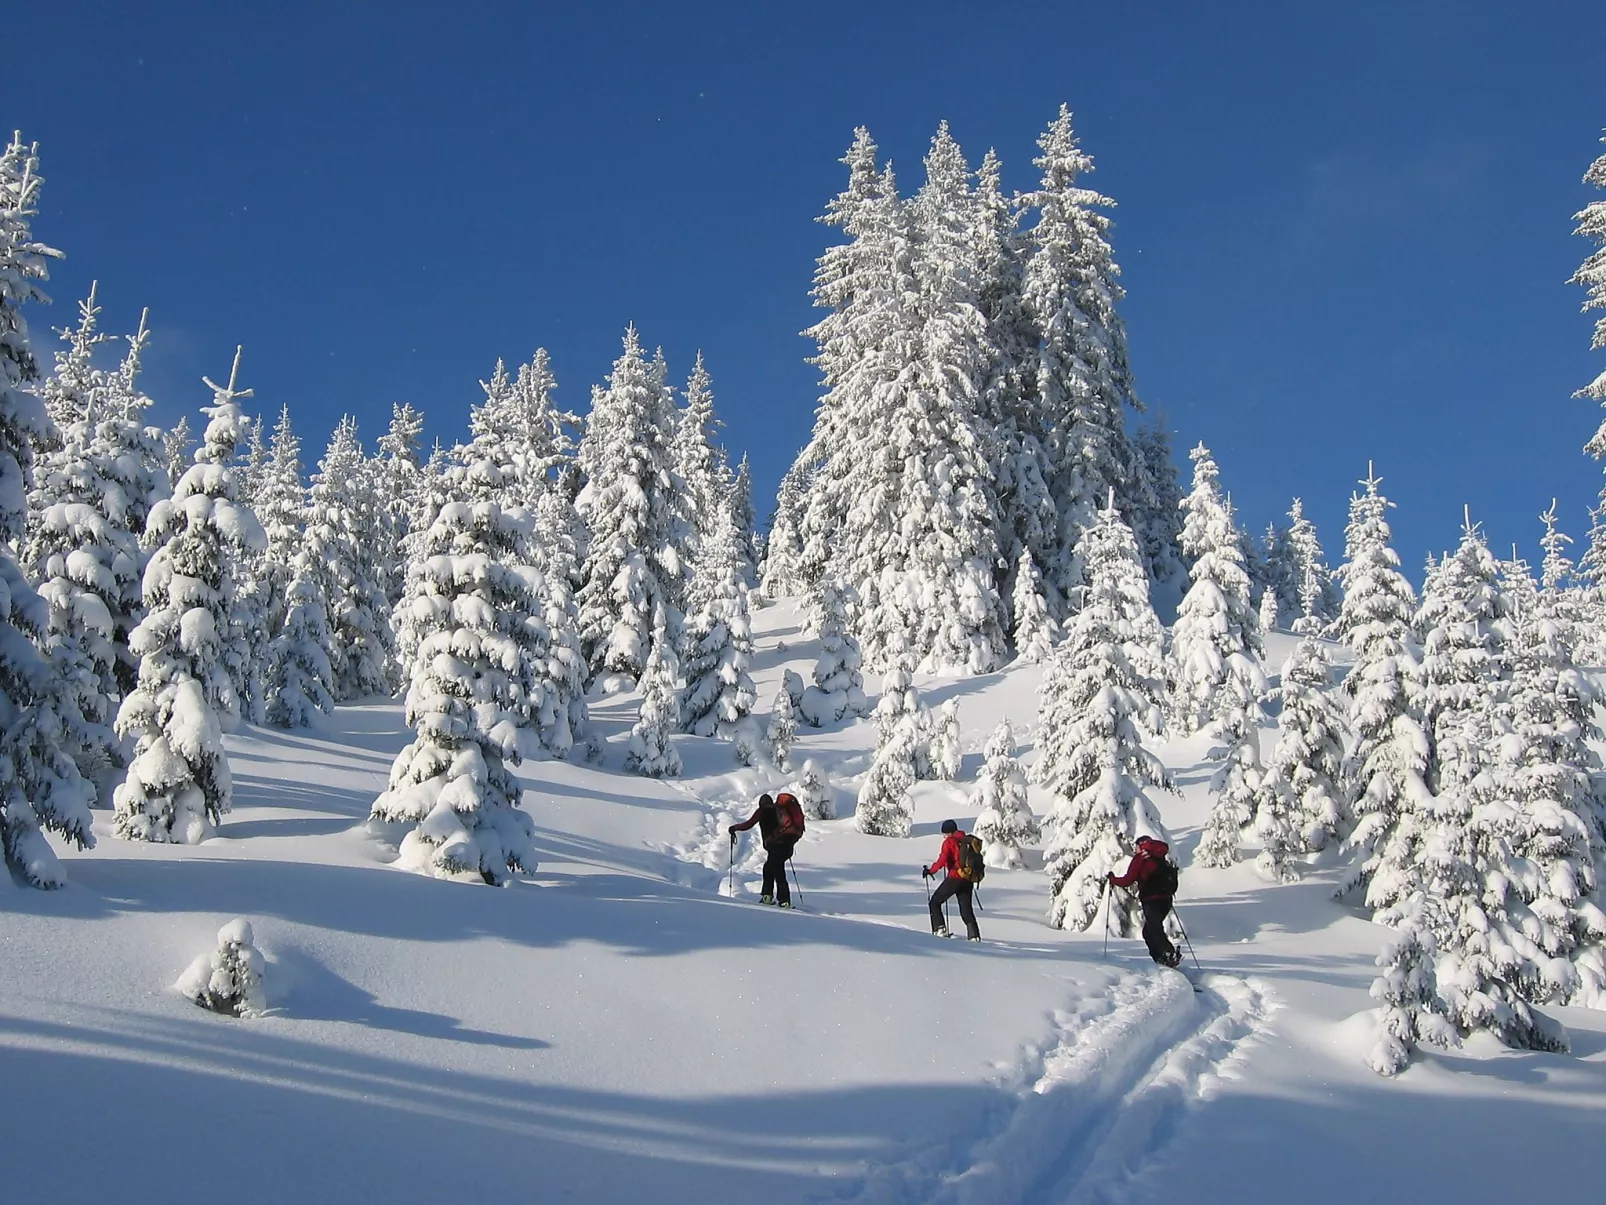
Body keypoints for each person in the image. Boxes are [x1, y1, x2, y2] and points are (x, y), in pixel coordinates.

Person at [1107, 835, 1181, 967]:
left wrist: (1113, 879)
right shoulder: (1160, 858)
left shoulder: (1140, 859)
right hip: (1166, 900)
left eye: (1135, 846)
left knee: (1153, 927)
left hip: (1151, 898)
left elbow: (1128, 880)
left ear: (1140, 845)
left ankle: (1168, 954)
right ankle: (1162, 958)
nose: (1134, 849)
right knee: (1149, 930)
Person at [729, 793, 801, 907]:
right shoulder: (778, 810)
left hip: (776, 846)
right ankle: (769, 896)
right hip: (786, 846)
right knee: (769, 868)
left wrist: (734, 828)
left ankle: (783, 900)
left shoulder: (763, 811)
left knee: (777, 871)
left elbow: (749, 823)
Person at [923, 819, 981, 940]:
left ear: (949, 832)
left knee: (935, 902)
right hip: (967, 878)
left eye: (944, 833)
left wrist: (930, 871)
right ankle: (974, 936)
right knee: (966, 909)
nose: (944, 836)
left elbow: (942, 859)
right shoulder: (966, 840)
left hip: (955, 877)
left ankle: (940, 929)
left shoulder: (949, 842)